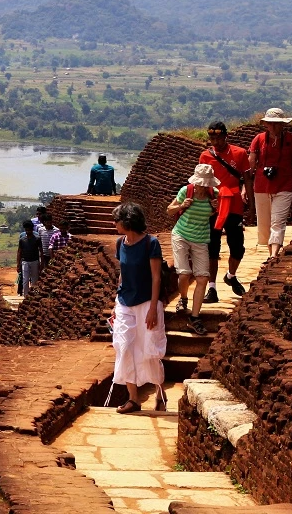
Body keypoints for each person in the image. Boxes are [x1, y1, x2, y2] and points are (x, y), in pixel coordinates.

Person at [109, 202, 167, 413]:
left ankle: (160, 393)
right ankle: (133, 399)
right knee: (123, 346)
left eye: (116, 220)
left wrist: (153, 308)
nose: (114, 224)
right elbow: (122, 274)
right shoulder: (120, 243)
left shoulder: (151, 243)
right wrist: (116, 303)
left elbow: (156, 278)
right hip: (125, 301)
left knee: (149, 350)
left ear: (127, 222)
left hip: (147, 302)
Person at [200, 121, 249, 303]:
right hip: (213, 208)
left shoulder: (240, 153)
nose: (215, 142)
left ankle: (231, 275)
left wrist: (251, 205)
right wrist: (208, 200)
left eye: (219, 138)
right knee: (212, 248)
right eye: (212, 138)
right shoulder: (205, 156)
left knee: (237, 247)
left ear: (226, 136)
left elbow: (247, 179)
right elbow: (202, 182)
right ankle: (212, 288)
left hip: (234, 204)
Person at [168, 164, 219, 336]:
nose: (202, 187)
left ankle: (195, 317)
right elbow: (169, 210)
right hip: (181, 235)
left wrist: (216, 208)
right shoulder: (186, 191)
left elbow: (213, 214)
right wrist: (181, 205)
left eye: (205, 184)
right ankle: (183, 299)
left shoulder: (214, 194)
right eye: (200, 184)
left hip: (201, 238)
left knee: (203, 278)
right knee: (184, 273)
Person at [248, 108, 292, 259]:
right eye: (270, 123)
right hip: (261, 186)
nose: (273, 127)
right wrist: (245, 186)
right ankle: (271, 253)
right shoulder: (259, 139)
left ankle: (273, 255)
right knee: (265, 224)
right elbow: (251, 164)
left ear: (283, 124)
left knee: (278, 222)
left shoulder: (291, 140)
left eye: (276, 123)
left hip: (284, 185)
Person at [16, 220, 42, 297]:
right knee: (25, 280)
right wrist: (18, 264)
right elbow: (19, 252)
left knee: (34, 280)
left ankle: (34, 296)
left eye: (29, 230)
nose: (28, 232)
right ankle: (26, 296)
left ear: (32, 229)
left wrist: (41, 262)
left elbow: (41, 251)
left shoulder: (37, 239)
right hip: (25, 261)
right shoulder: (22, 240)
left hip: (34, 261)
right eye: (26, 230)